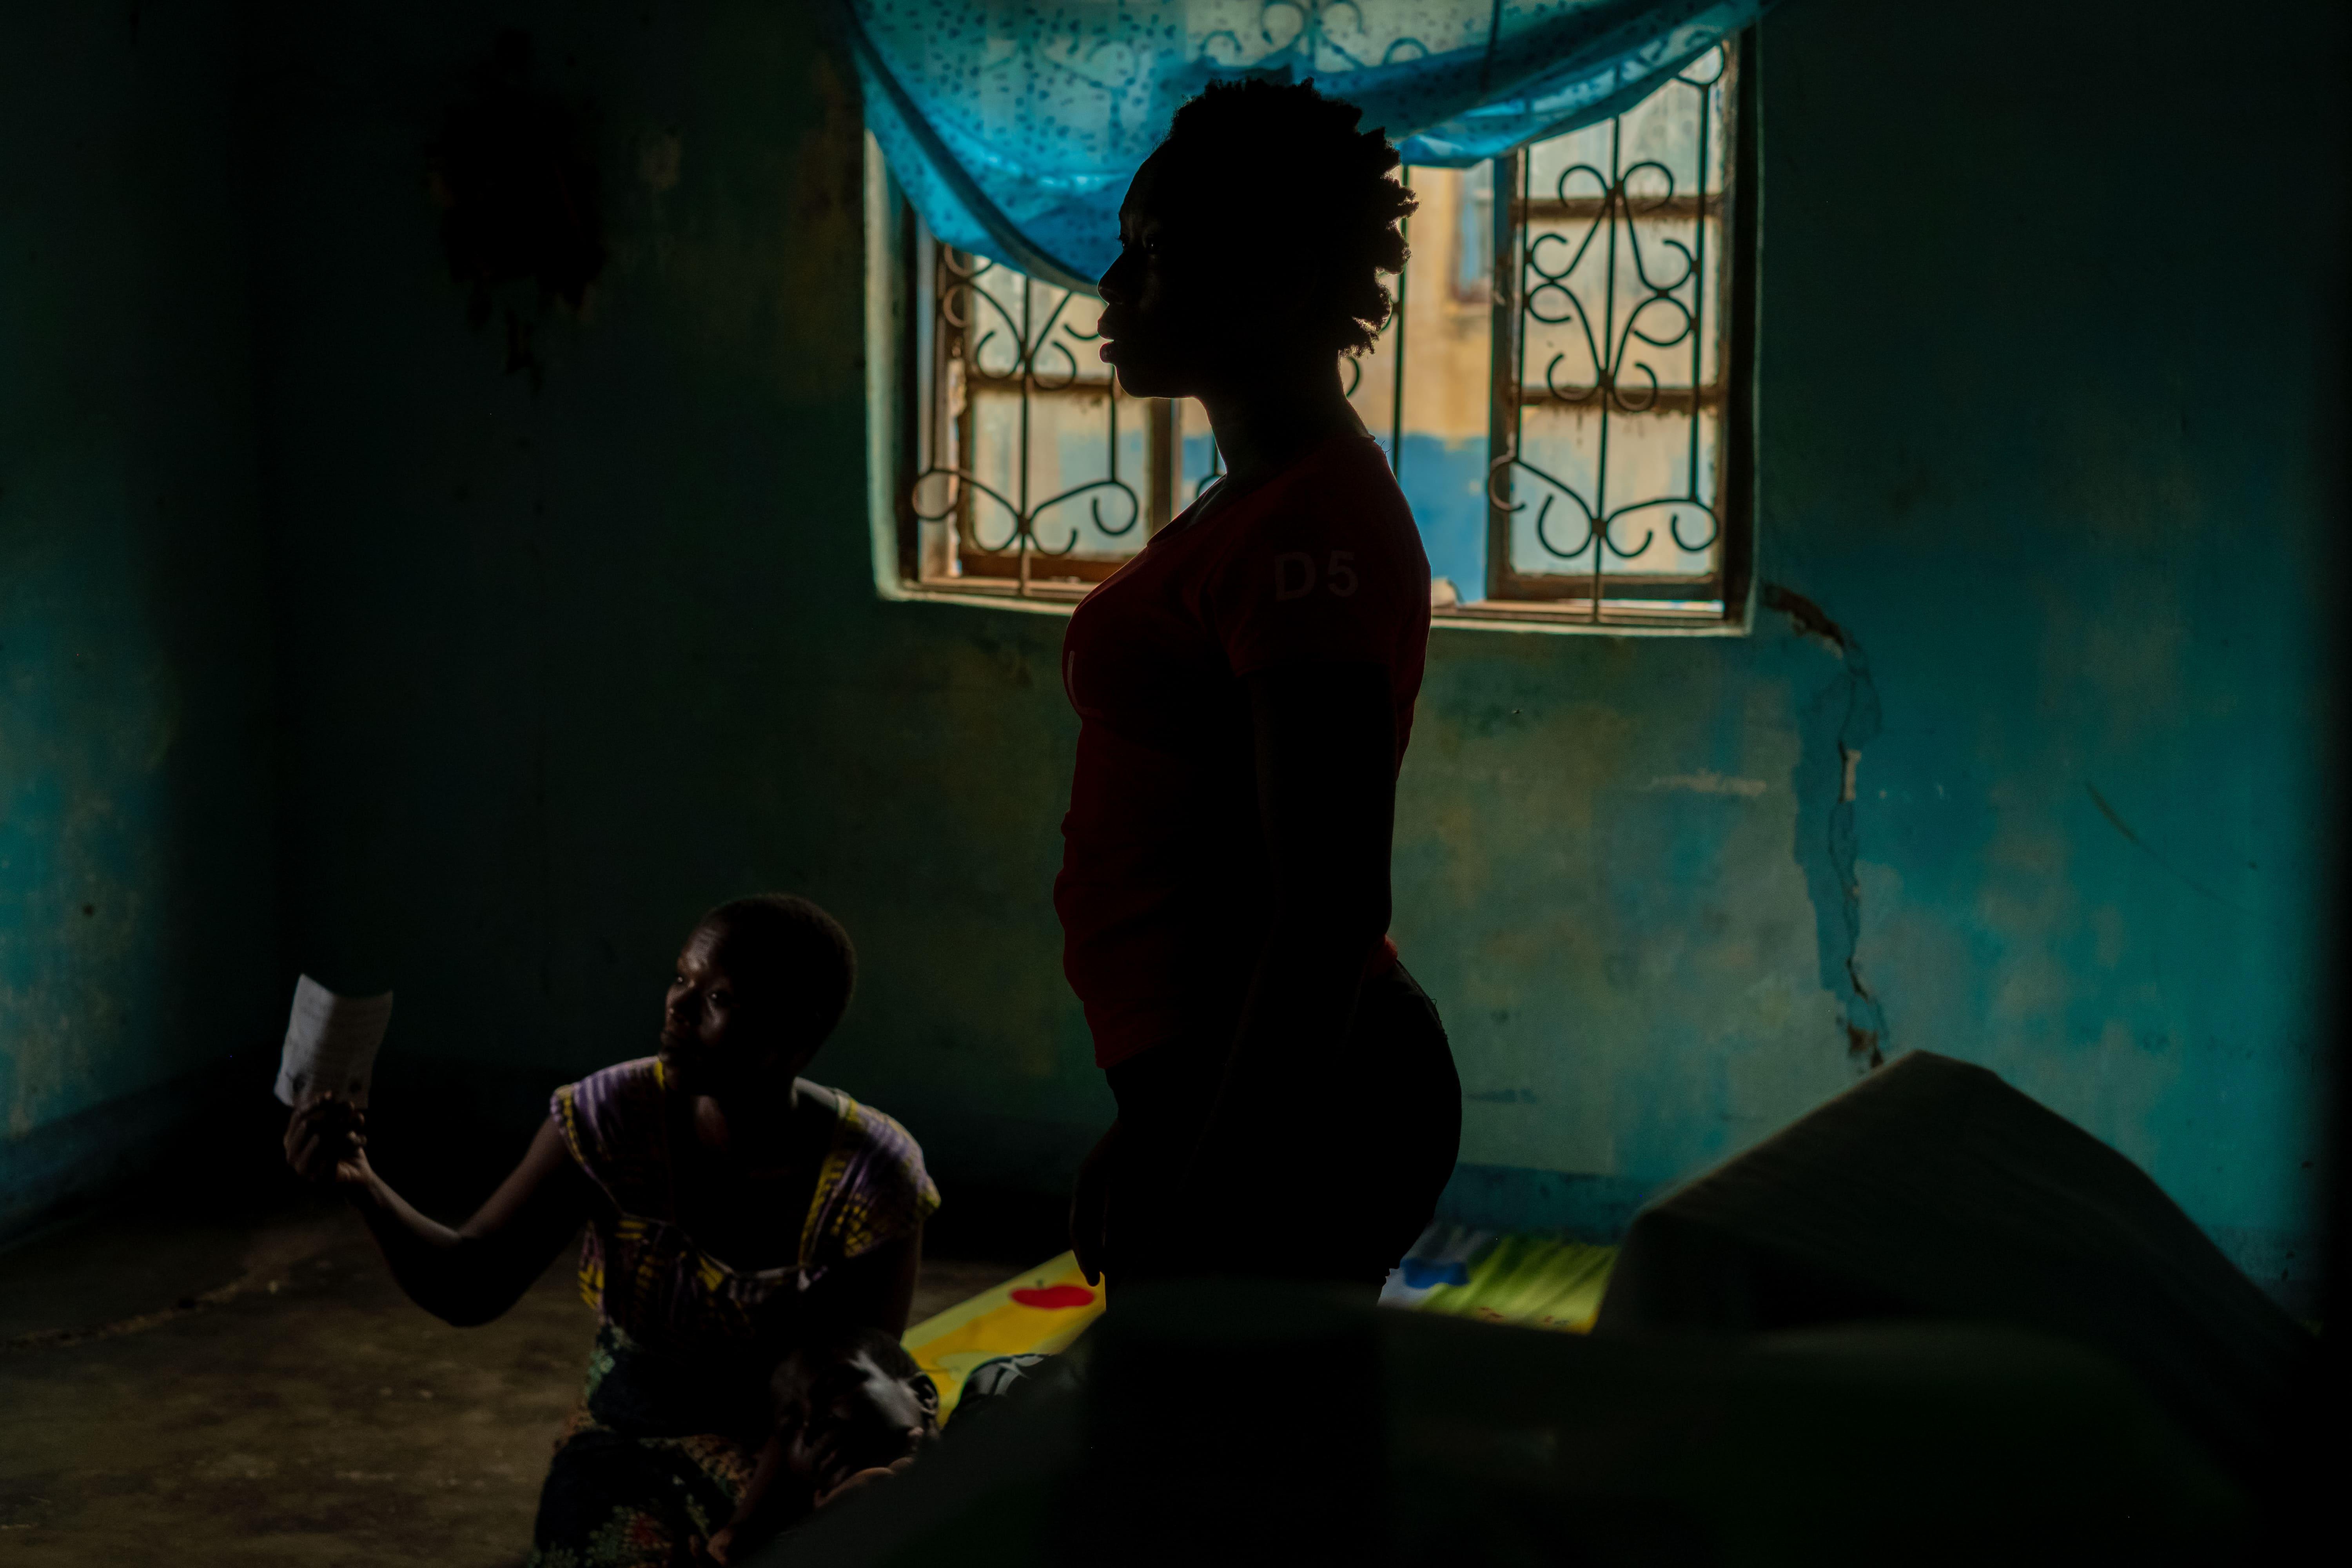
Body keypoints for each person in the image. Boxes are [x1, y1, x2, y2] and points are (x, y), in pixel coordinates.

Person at [1061, 78, 1461, 1298]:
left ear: (1281, 282)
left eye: (1154, 259)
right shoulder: (1263, 504)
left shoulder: (1307, 534)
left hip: (1310, 1091)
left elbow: (1331, 904)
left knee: (1240, 1471)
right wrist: (1161, 1111)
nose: (1115, 293)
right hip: (1235, 1068)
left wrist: (1210, 1178)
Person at [282, 895, 938, 1566]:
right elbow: (472, 1282)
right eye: (682, 979)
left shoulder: (872, 1178)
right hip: (628, 1431)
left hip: (784, 1453)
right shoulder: (613, 1117)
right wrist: (363, 1187)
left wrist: (740, 1539)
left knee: (861, 1500)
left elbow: (835, 1397)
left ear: (794, 1037)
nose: (679, 1007)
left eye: (719, 998)